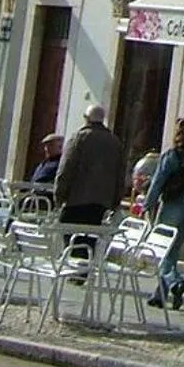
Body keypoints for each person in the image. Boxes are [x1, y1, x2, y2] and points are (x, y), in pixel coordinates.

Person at [142, 118, 184, 309]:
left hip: (171, 207)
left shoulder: (171, 156)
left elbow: (158, 181)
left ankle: (175, 281)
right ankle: (160, 295)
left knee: (162, 250)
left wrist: (147, 205)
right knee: (172, 253)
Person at [53, 105, 123, 265]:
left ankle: (75, 268)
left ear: (86, 118)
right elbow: (120, 174)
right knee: (89, 240)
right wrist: (115, 201)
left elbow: (65, 169)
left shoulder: (78, 138)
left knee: (71, 237)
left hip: (76, 200)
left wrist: (59, 196)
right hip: (100, 203)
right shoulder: (115, 142)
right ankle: (83, 269)